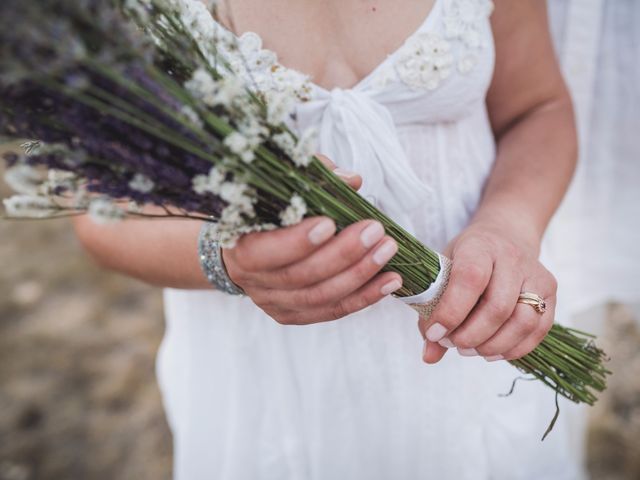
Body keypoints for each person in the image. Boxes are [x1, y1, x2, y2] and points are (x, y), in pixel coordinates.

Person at [73, 0, 583, 478]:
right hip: (265, 379)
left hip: (477, 342)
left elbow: (537, 108)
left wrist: (508, 227)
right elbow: (99, 214)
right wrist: (225, 259)